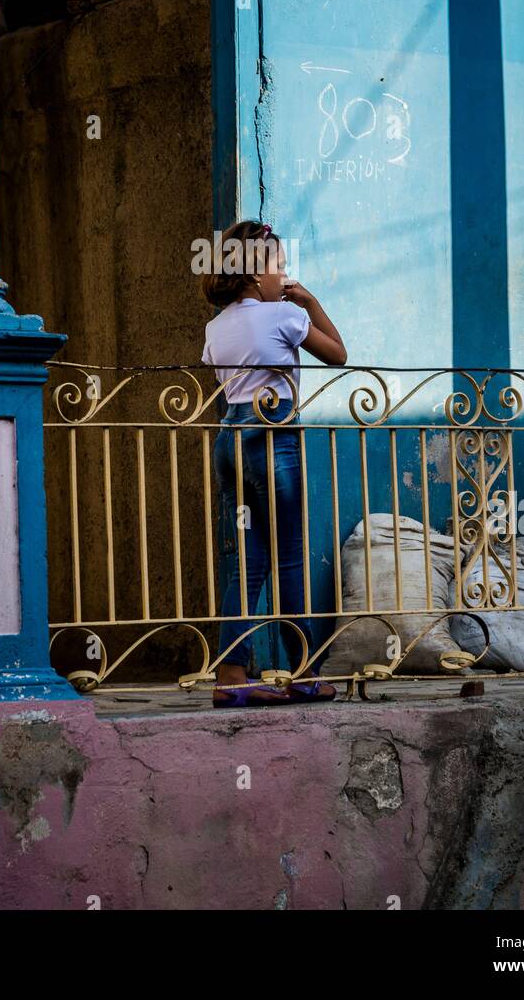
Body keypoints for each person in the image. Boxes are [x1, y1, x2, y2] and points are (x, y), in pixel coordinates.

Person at [201, 220, 347, 708]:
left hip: (231, 440)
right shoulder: (284, 314)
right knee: (289, 557)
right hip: (274, 434)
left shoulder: (215, 326)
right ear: (253, 273)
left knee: (248, 564)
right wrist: (308, 302)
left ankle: (232, 675)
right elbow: (338, 354)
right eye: (278, 266)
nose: (283, 275)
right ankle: (304, 671)